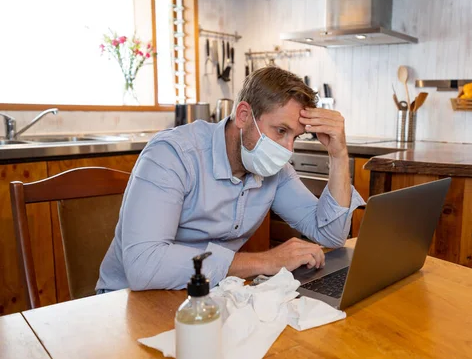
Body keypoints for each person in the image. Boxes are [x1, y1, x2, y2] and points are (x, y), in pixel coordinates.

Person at [96, 66, 365, 292]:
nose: (287, 149)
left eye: (295, 136)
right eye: (280, 130)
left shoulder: (274, 169)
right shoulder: (173, 155)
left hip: (205, 295)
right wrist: (265, 261)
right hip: (128, 301)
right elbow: (144, 267)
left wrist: (339, 154)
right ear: (243, 115)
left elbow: (331, 234)